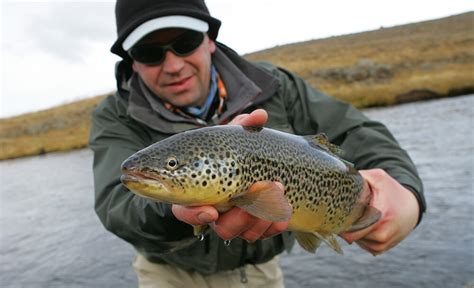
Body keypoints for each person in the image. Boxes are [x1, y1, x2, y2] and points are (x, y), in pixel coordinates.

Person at [89, 0, 426, 287]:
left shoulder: (274, 85)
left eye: (186, 42)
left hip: (258, 272)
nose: (174, 65)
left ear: (209, 40)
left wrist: (405, 193)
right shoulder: (114, 116)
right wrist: (174, 212)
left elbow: (358, 133)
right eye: (150, 53)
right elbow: (116, 205)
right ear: (132, 61)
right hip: (169, 274)